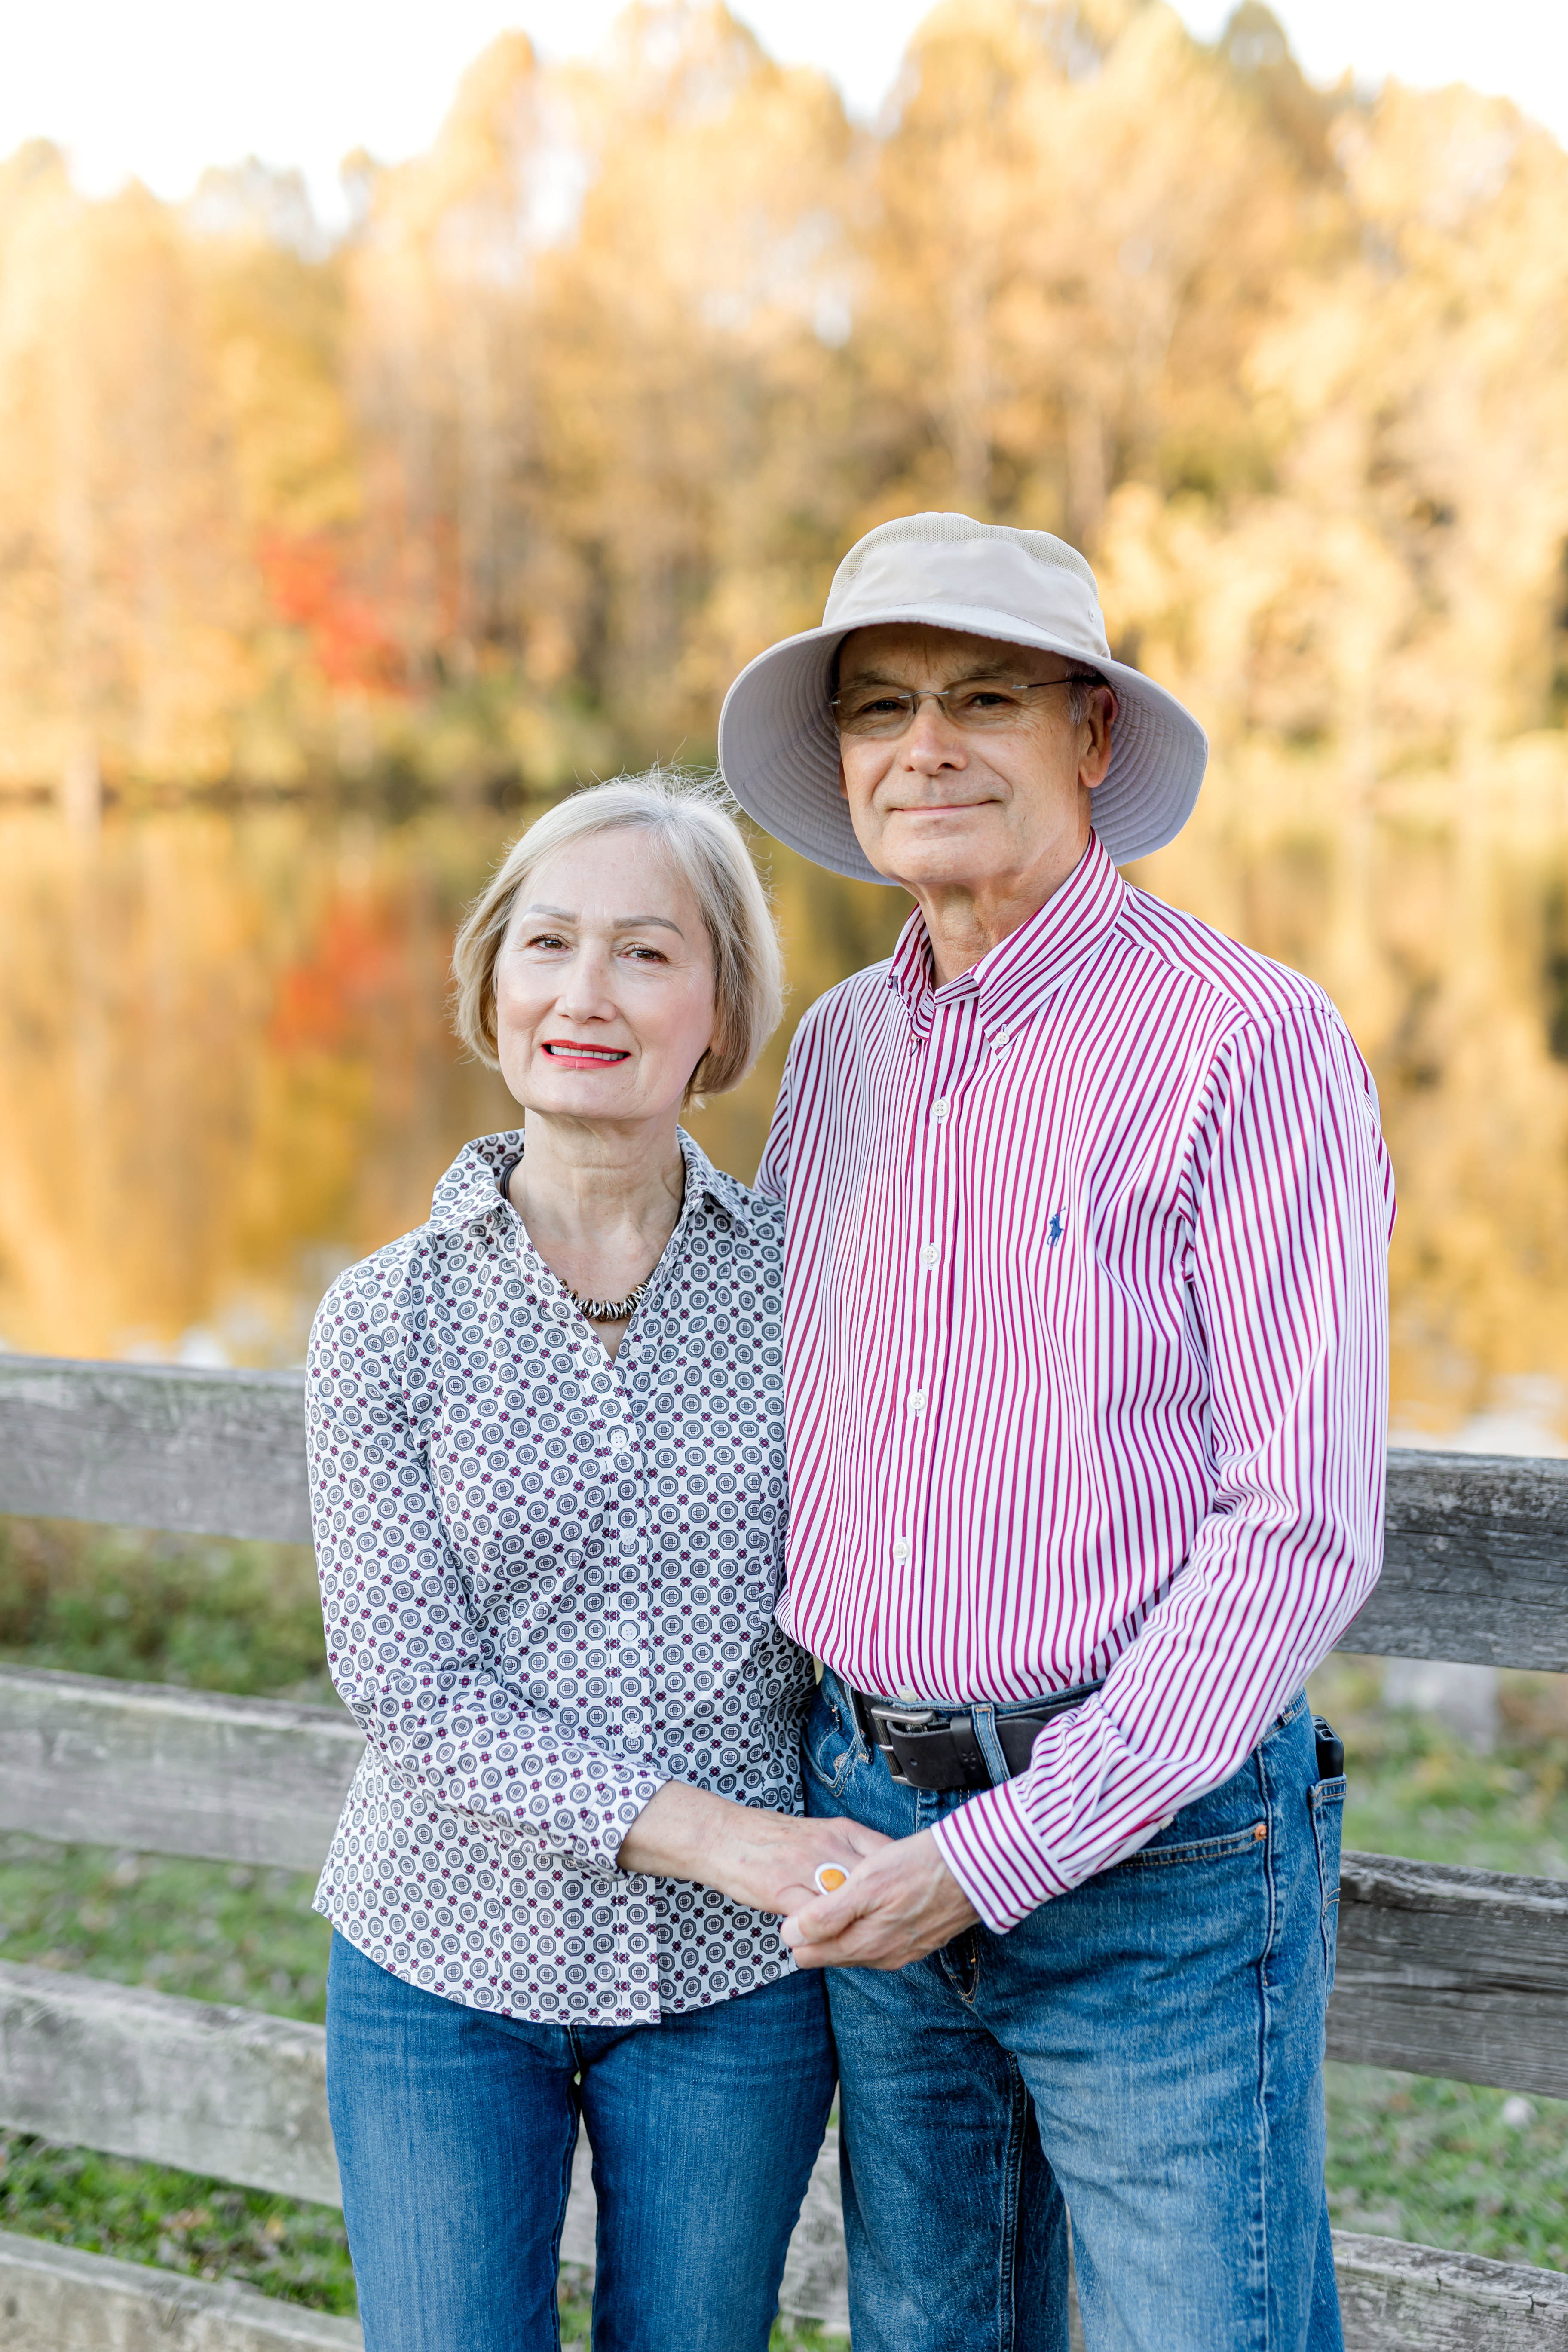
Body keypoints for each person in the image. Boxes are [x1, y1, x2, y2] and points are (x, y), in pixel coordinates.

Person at [718, 514, 1395, 2352]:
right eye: (881, 708)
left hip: (1156, 1859)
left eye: (985, 699)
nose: (924, 746)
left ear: (1092, 733)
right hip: (869, 1819)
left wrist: (1004, 1851)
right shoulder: (841, 1052)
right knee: (931, 2334)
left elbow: (1301, 1524)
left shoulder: (1244, 1042)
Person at [306, 771, 884, 2352]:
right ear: (493, 985)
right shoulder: (386, 1318)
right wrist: (728, 1842)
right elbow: (410, 1690)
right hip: (441, 1953)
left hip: (734, 1989)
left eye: (645, 952)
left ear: (720, 1011)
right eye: (548, 944)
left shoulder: (819, 1293)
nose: (585, 994)